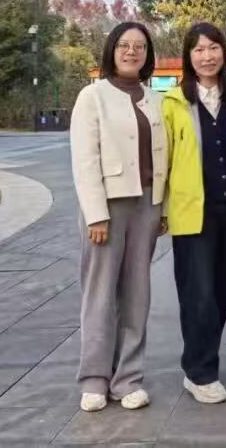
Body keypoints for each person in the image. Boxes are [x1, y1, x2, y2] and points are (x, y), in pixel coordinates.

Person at [70, 22, 168, 413]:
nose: (131, 52)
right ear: (112, 50)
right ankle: (94, 378)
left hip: (147, 205)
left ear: (148, 54)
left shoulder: (155, 99)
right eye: (124, 45)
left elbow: (164, 158)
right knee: (100, 292)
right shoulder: (92, 96)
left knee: (136, 294)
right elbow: (84, 159)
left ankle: (128, 378)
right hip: (108, 207)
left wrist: (162, 208)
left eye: (140, 46)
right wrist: (96, 214)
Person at [162, 22, 226, 405]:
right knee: (198, 293)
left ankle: (202, 358)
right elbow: (163, 160)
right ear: (189, 56)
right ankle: (200, 372)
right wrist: (161, 209)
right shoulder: (173, 103)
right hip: (191, 212)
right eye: (198, 49)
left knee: (222, 292)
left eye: (213, 48)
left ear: (224, 52)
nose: (207, 56)